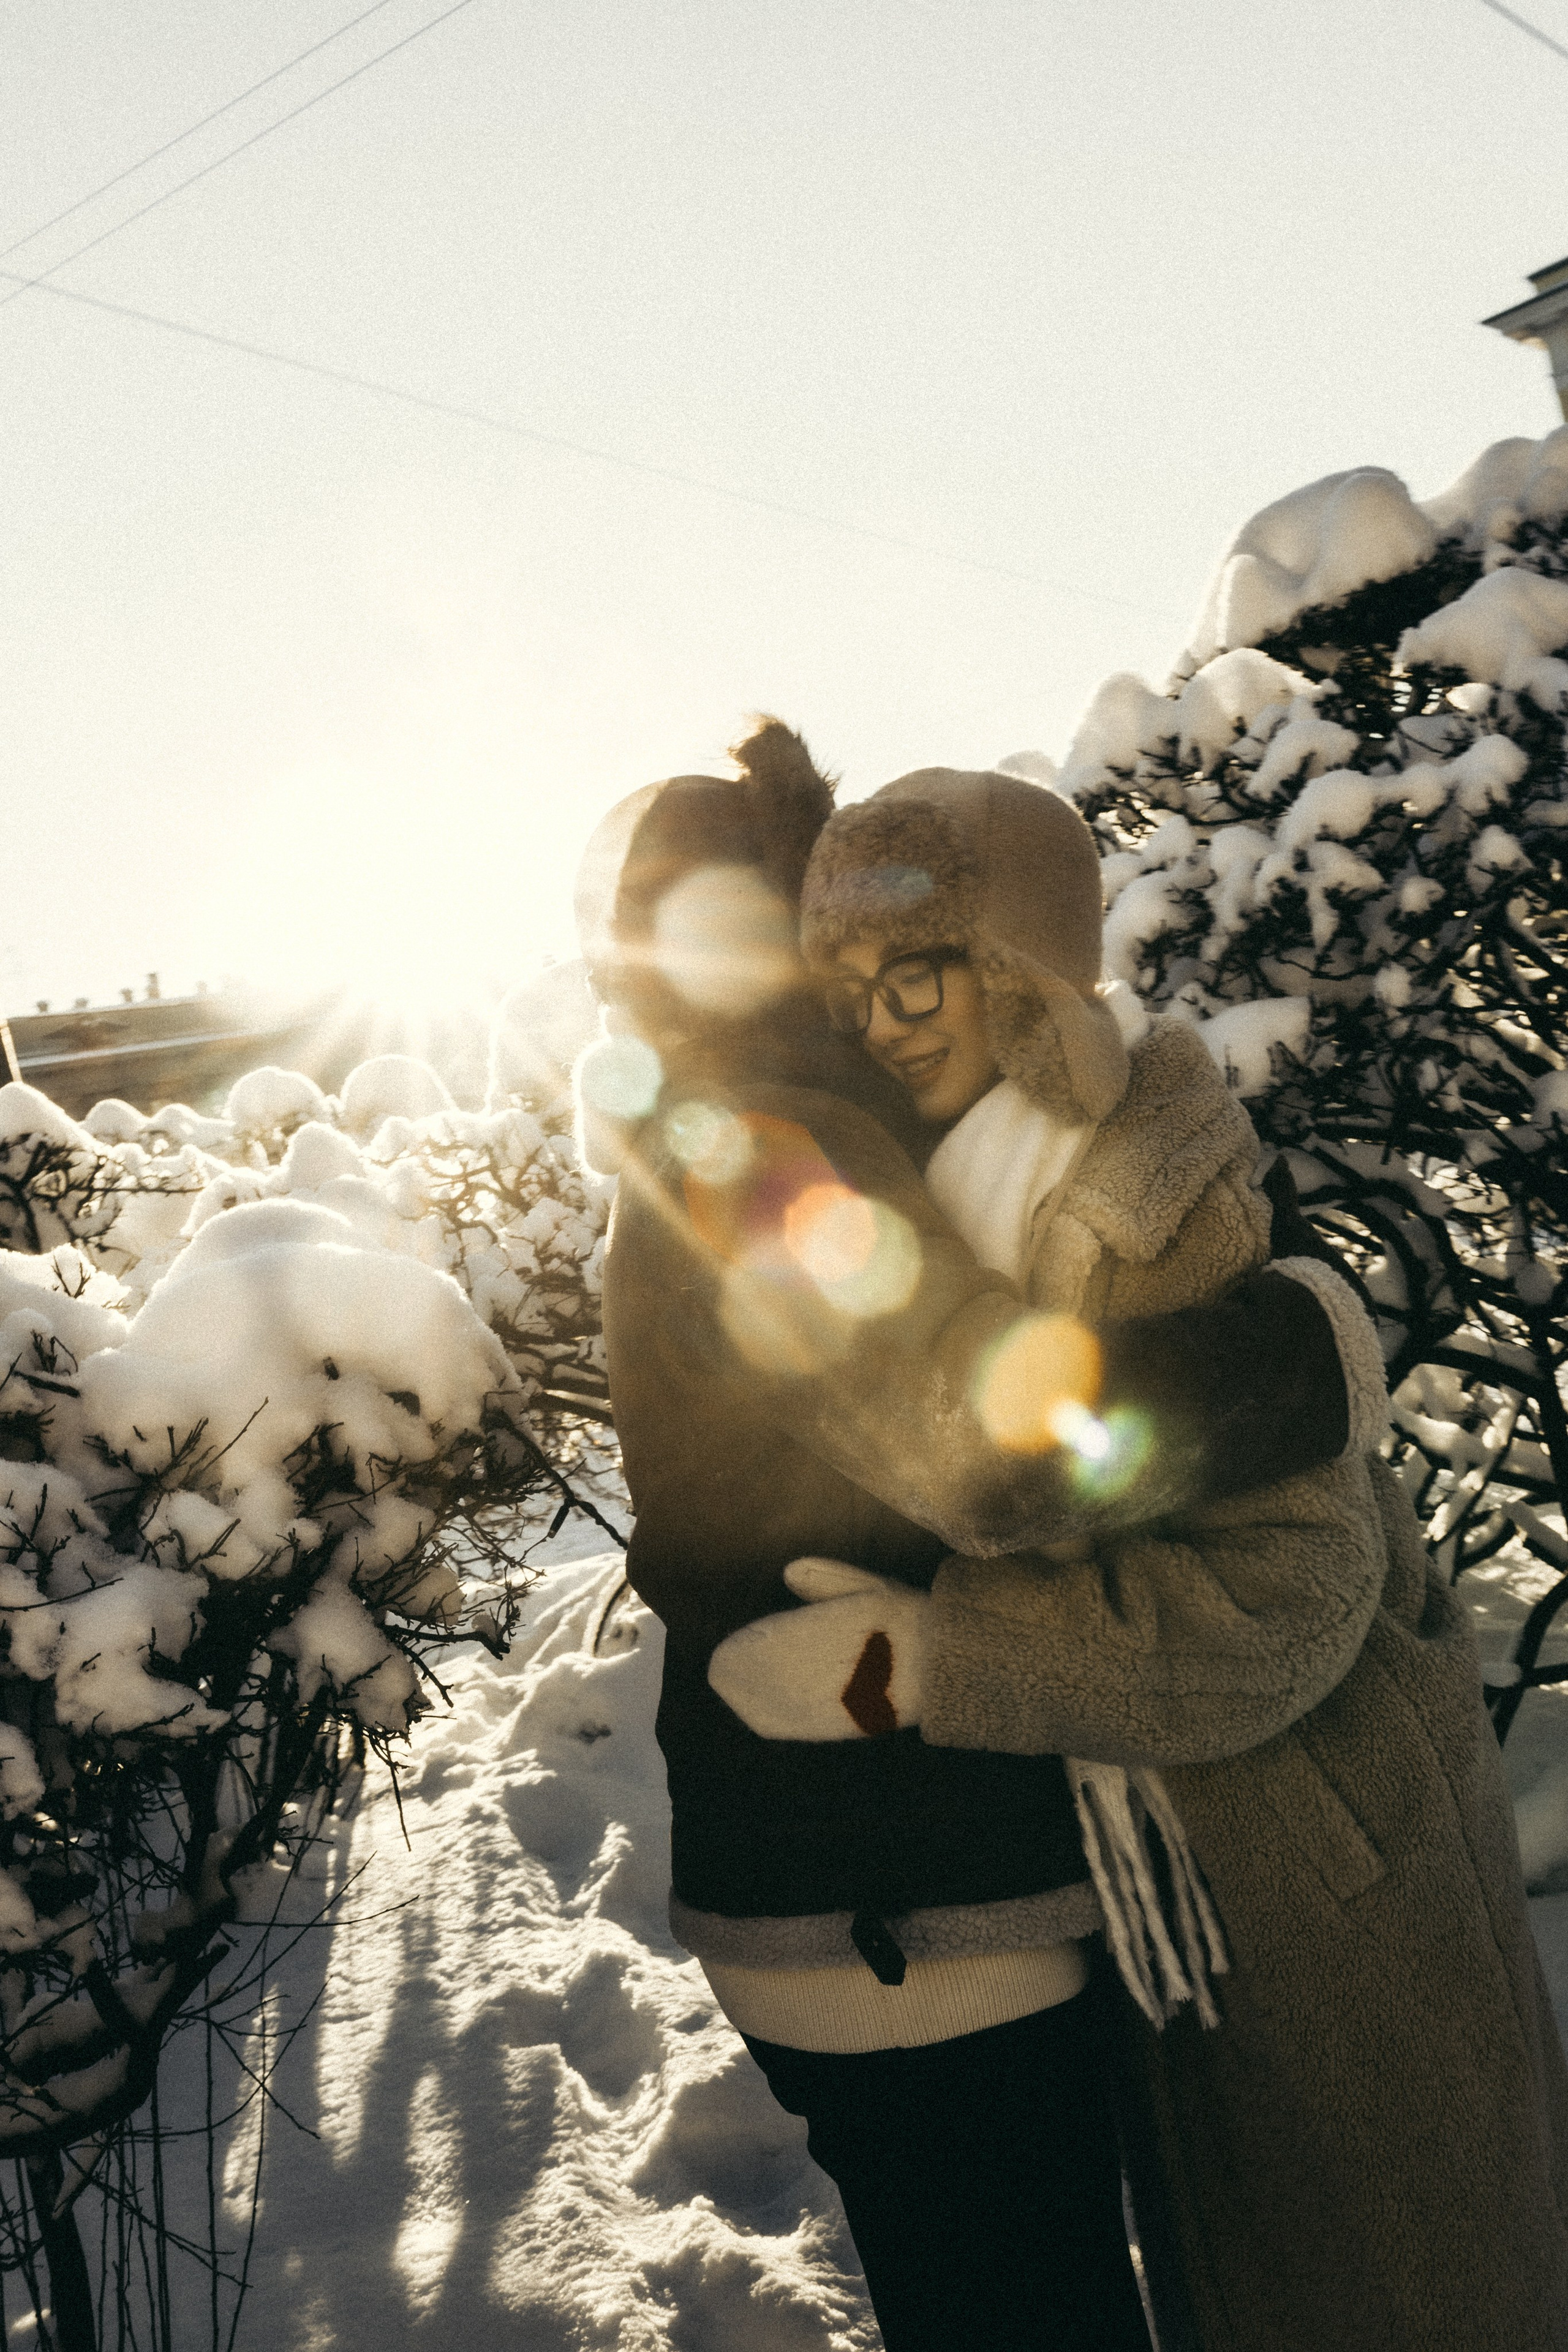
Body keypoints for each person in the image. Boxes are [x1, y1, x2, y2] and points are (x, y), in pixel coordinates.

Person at [710, 763, 1568, 2352]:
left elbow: (1286, 1600)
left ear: (1027, 973)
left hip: (1322, 1859)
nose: (887, 1018)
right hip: (1195, 1866)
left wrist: (940, 1665)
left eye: (925, 971)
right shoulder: (984, 1165)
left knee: (1402, 2289)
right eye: (855, 987)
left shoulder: (1141, 1186)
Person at [579, 723, 1385, 2351]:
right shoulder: (762, 1150)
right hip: (901, 1913)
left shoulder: (747, 1123)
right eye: (829, 927)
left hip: (881, 1881)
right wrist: (1305, 1363)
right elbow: (988, 1443)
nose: (866, 969)